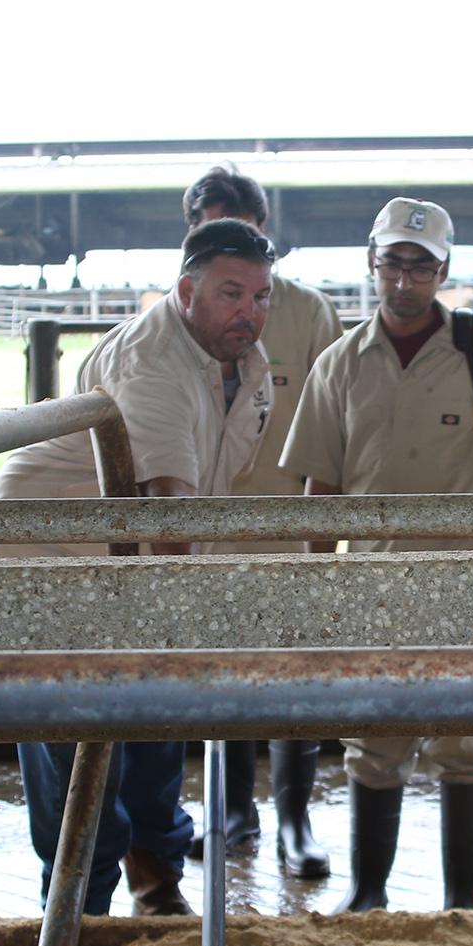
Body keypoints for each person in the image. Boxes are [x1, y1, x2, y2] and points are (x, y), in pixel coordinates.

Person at [0, 218, 276, 916]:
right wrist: (207, 622)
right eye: (232, 294)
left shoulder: (248, 364)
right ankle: (78, 913)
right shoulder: (156, 363)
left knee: (150, 717)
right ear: (187, 290)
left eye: (262, 296)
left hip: (128, 564)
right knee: (77, 738)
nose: (250, 312)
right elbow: (170, 522)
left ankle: (153, 877)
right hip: (52, 562)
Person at [280, 198, 473, 912]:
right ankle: (369, 895)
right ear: (371, 263)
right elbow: (320, 482)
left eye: (422, 265)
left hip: (467, 582)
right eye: (394, 263)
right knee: (376, 740)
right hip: (374, 582)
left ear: (444, 270)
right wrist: (317, 582)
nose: (405, 280)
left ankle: (462, 907)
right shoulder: (341, 363)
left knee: (467, 742)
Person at [178, 165, 342, 880]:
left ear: (267, 234)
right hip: (212, 516)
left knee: (294, 671)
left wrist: (321, 518)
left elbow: (335, 415)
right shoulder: (174, 318)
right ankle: (231, 811)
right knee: (222, 671)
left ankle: (296, 819)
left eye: (247, 232)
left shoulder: (305, 312)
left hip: (285, 512)